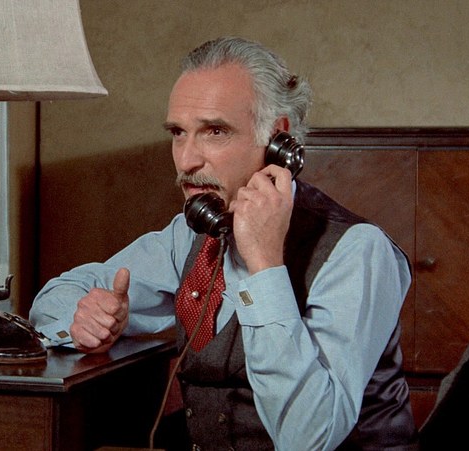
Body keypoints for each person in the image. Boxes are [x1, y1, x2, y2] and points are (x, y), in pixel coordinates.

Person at [30, 36, 418, 450]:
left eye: (215, 132)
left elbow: (309, 438)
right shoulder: (192, 234)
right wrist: (88, 320)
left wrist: (264, 266)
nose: (186, 160)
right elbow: (52, 300)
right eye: (178, 133)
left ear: (278, 139)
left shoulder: (357, 251)